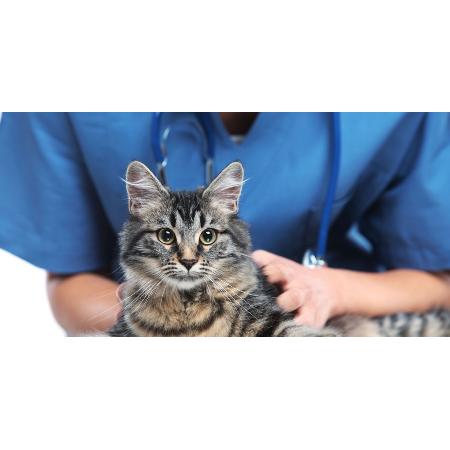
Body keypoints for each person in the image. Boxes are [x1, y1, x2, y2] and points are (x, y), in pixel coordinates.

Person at [1, 112, 450, 335]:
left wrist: (333, 289)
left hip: (354, 318)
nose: (188, 255)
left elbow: (440, 279)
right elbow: (66, 272)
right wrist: (148, 322)